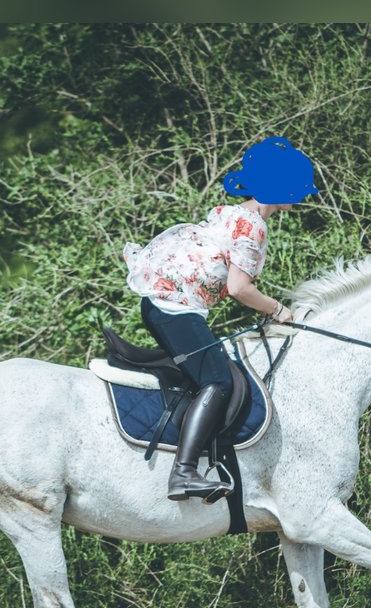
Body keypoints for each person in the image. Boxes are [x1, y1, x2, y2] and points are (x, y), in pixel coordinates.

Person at [123, 136, 319, 500]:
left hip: (166, 303)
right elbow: (240, 287)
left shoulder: (235, 214)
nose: (303, 195)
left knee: (211, 370)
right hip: (175, 306)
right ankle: (182, 474)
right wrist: (277, 310)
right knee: (218, 381)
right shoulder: (254, 225)